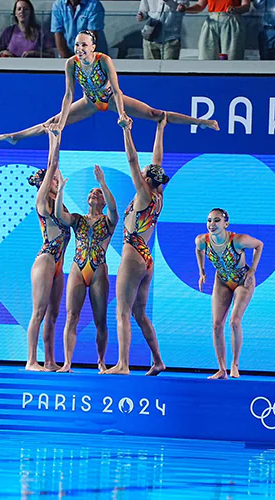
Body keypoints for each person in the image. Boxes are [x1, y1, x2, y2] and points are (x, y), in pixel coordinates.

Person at [0, 31, 219, 145]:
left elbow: (118, 91)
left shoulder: (103, 60)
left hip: (110, 99)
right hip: (89, 103)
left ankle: (201, 122)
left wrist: (121, 114)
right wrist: (61, 121)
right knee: (53, 123)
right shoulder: (71, 63)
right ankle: (16, 136)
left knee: (155, 114)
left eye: (84, 45)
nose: (79, 48)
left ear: (93, 46)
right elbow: (69, 94)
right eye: (77, 44)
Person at [104, 115, 168, 376]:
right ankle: (158, 361)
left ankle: (122, 364)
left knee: (122, 312)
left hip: (132, 256)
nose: (140, 173)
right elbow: (157, 162)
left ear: (147, 180)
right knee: (139, 314)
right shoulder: (158, 195)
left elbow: (133, 160)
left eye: (143, 174)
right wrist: (160, 129)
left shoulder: (143, 194)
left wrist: (126, 131)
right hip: (146, 258)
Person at [54, 165, 118, 373]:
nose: (93, 194)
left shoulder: (108, 221)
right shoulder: (77, 219)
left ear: (102, 201)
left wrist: (102, 183)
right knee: (72, 315)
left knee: (100, 319)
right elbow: (58, 215)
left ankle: (101, 362)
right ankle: (67, 363)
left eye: (97, 193)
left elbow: (114, 209)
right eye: (91, 192)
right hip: (77, 269)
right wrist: (61, 190)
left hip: (99, 270)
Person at [195, 208, 263, 379]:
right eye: (209, 220)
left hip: (242, 281)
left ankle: (235, 364)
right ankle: (221, 369)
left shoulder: (239, 240)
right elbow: (199, 250)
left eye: (216, 220)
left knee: (234, 321)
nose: (212, 224)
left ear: (226, 224)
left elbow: (259, 245)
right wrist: (202, 272)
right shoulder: (202, 240)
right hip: (222, 280)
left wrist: (252, 270)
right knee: (217, 325)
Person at [25, 130, 71, 371]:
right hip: (45, 260)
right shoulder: (42, 200)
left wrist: (57, 132)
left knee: (53, 314)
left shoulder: (59, 202)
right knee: (39, 311)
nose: (56, 180)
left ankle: (50, 360)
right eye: (53, 179)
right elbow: (53, 163)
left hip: (58, 265)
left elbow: (56, 169)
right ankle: (31, 360)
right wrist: (54, 136)